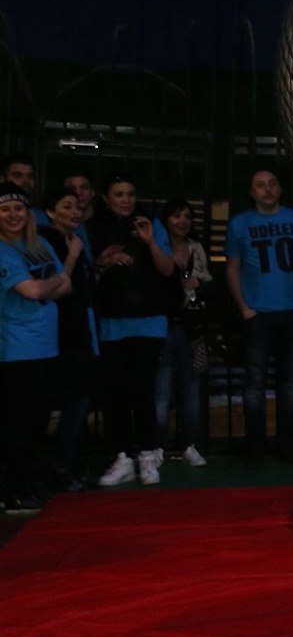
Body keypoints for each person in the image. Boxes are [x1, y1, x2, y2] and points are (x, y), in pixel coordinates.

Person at [89, 175, 176, 487]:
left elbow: (168, 269)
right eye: (118, 194)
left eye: (130, 193)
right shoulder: (95, 227)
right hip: (112, 321)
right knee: (116, 392)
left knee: (142, 389)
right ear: (106, 198)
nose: (125, 199)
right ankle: (123, 457)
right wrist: (105, 261)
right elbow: (88, 276)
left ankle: (148, 456)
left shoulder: (149, 222)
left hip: (149, 319)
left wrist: (150, 241)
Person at [224, 169, 293, 460]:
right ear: (252, 192)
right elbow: (232, 268)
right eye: (260, 185)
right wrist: (244, 308)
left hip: (291, 312)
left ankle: (287, 446)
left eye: (272, 183)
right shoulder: (239, 224)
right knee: (255, 382)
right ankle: (255, 447)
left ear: (280, 188)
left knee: (290, 384)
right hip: (257, 314)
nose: (268, 189)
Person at [0, 182, 75, 511]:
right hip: (17, 350)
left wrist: (51, 284)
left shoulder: (39, 243)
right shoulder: (3, 250)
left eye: (18, 208)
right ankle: (12, 489)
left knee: (37, 420)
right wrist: (54, 282)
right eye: (5, 209)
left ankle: (23, 482)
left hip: (46, 346)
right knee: (19, 422)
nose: (13, 215)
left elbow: (67, 285)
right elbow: (33, 291)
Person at [39, 187, 99, 491]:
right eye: (66, 206)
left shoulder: (76, 239)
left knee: (80, 402)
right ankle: (54, 470)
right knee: (51, 405)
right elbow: (56, 285)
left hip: (79, 331)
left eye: (77, 207)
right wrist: (73, 254)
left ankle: (69, 467)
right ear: (51, 212)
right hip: (56, 333)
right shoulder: (45, 240)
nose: (74, 212)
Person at [153, 198, 212, 465]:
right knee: (161, 390)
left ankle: (189, 443)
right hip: (163, 324)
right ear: (166, 220)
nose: (183, 221)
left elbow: (208, 284)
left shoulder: (196, 248)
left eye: (187, 216)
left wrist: (198, 284)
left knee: (191, 388)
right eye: (177, 215)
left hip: (192, 327)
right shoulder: (157, 246)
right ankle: (157, 445)